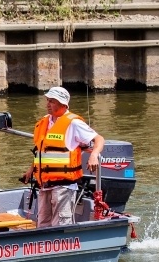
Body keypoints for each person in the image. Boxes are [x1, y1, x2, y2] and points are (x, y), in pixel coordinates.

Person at [24, 86, 105, 228]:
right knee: (42, 223)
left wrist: (94, 155)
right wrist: (31, 169)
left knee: (61, 225)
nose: (48, 104)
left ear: (63, 104)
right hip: (45, 185)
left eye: (52, 101)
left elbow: (99, 139)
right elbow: (42, 151)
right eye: (48, 100)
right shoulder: (44, 122)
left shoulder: (74, 123)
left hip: (63, 187)